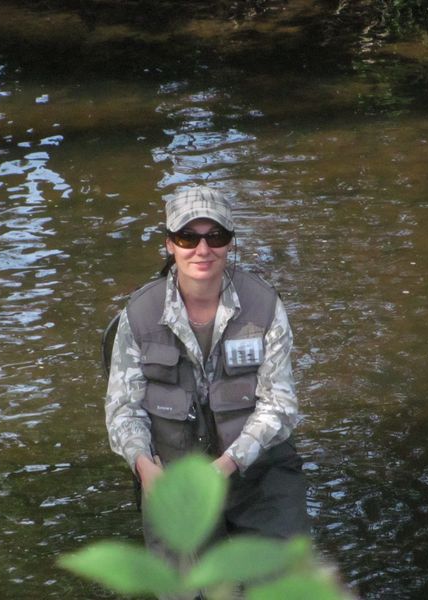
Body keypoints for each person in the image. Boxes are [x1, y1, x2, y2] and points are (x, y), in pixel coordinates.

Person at [104, 185, 308, 543]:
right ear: (170, 244)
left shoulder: (265, 306)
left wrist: (227, 464)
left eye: (215, 236)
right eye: (188, 237)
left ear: (230, 243)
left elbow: (280, 405)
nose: (202, 250)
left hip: (260, 476)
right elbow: (123, 410)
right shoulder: (138, 315)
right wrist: (144, 466)